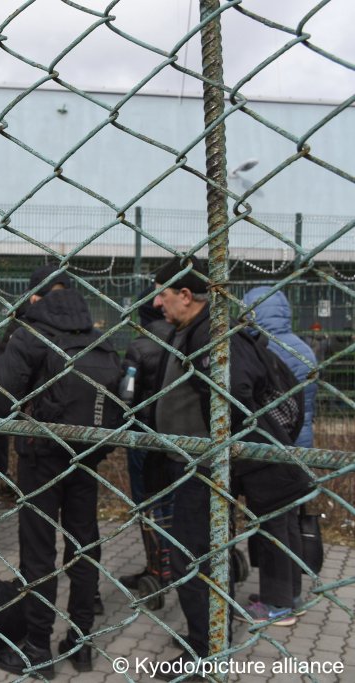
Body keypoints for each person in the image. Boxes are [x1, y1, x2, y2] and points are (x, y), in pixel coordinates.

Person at [149, 257, 306, 679]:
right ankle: (210, 635)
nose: (156, 302)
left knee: (191, 557)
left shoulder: (216, 335)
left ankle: (205, 651)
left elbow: (234, 393)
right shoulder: (198, 329)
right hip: (203, 461)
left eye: (162, 292)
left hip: (212, 464)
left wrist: (215, 445)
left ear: (186, 295)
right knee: (206, 553)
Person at [0, 265, 120, 677]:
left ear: (34, 298)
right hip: (86, 455)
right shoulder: (97, 338)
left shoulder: (30, 335)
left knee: (39, 550)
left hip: (40, 455)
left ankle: (37, 647)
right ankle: (80, 642)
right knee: (83, 544)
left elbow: (0, 399)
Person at [238, 286, 318, 623]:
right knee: (288, 524)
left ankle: (277, 604)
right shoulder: (302, 348)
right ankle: (291, 593)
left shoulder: (265, 349)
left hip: (274, 450)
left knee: (272, 527)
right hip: (300, 444)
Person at [118, 287, 175, 591]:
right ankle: (180, 562)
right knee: (178, 501)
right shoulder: (185, 340)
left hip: (143, 435)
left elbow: (126, 396)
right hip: (179, 435)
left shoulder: (140, 346)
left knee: (149, 503)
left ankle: (158, 568)